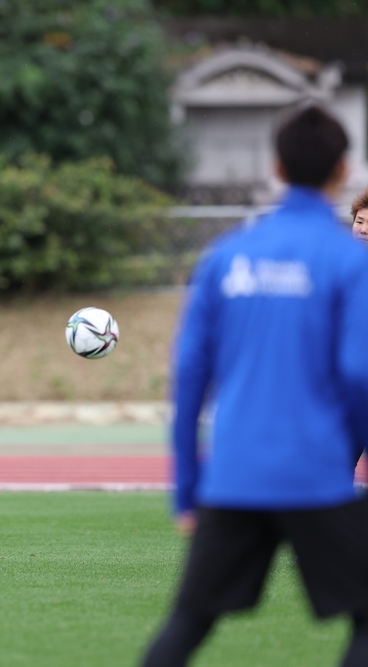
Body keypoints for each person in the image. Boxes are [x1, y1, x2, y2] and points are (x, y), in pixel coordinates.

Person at [140, 106, 368, 666]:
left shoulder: (224, 257)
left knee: (188, 623)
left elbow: (189, 378)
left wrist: (187, 488)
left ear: (276, 168)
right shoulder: (349, 260)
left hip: (234, 476)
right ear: (343, 170)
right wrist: (340, 455)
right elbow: (358, 374)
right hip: (314, 476)